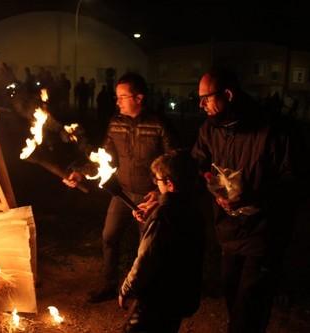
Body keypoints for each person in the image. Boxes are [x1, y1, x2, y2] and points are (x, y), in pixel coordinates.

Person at [191, 67, 298, 332]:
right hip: (228, 231)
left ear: (228, 94)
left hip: (263, 234)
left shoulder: (274, 130)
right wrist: (213, 184)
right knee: (232, 294)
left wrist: (253, 197)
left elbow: (293, 181)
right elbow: (198, 162)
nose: (201, 104)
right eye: (199, 98)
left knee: (251, 304)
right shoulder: (211, 129)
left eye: (207, 97)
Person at [63, 72, 178, 303]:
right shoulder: (116, 123)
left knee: (145, 247)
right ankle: (109, 284)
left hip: (148, 197)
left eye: (122, 97)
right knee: (109, 236)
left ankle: (143, 290)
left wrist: (159, 191)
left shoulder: (158, 124)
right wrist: (81, 172)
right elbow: (105, 156)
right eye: (117, 97)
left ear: (139, 98)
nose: (117, 102)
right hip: (122, 192)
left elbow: (172, 160)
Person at [119, 150, 204, 333]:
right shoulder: (194, 208)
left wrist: (127, 288)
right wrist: (158, 205)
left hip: (156, 298)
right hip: (180, 295)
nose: (155, 184)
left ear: (169, 183)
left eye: (157, 180)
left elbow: (146, 258)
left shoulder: (164, 215)